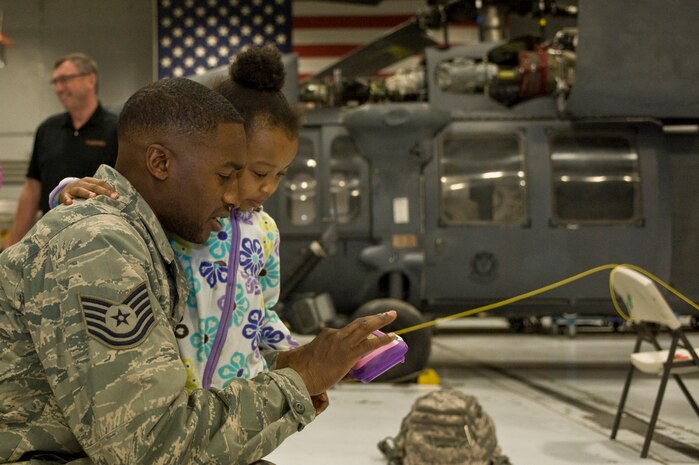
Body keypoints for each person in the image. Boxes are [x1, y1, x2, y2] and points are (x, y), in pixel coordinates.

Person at [0, 77, 397, 464]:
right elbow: (149, 446)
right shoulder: (100, 243)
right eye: (225, 176)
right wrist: (298, 381)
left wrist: (289, 367)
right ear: (160, 162)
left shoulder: (141, 240)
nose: (232, 196)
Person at [52, 45, 304, 393]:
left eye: (281, 174)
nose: (270, 186)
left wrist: (299, 356)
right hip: (173, 396)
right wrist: (69, 188)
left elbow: (265, 310)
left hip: (238, 397)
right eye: (259, 171)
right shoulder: (180, 214)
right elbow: (123, 203)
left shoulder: (265, 232)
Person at [3, 52, 118, 249]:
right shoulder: (47, 129)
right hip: (50, 241)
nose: (58, 88)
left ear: (90, 80)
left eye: (65, 80)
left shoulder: (117, 128)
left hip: (100, 243)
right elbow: (32, 188)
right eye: (55, 82)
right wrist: (12, 243)